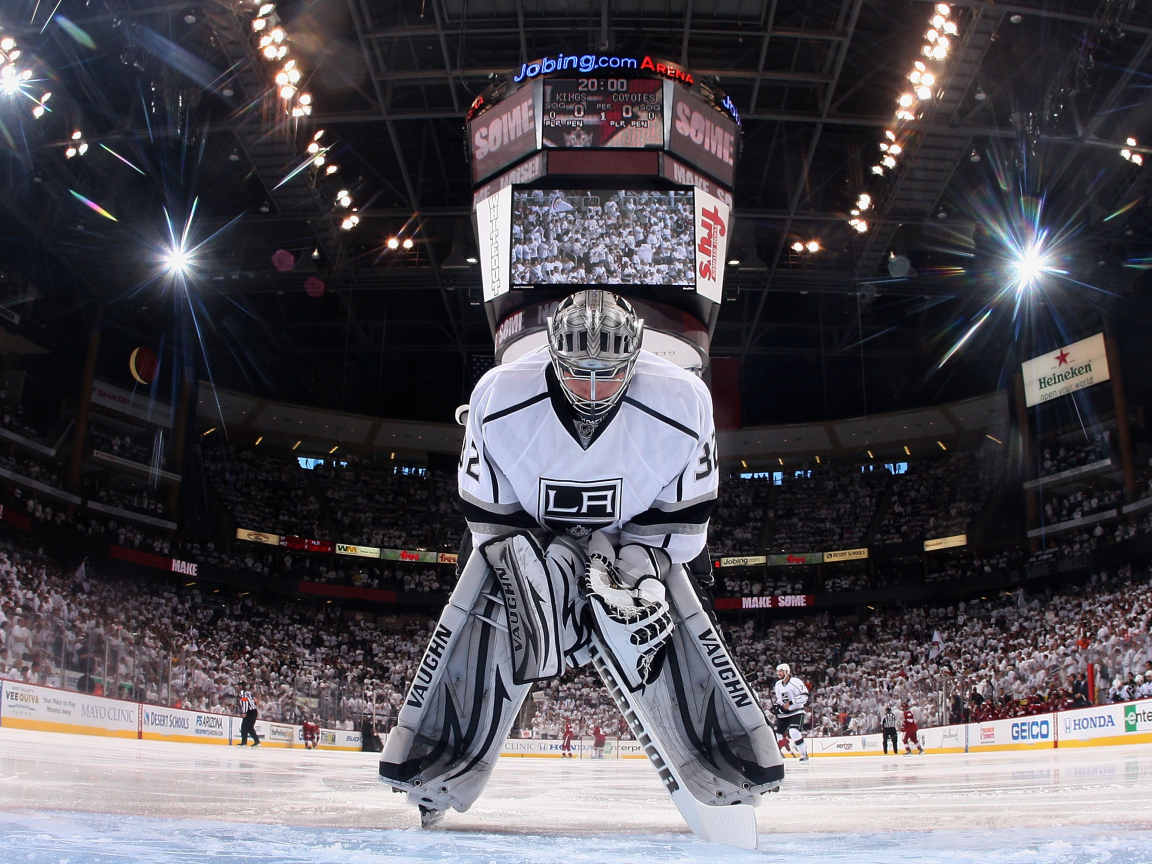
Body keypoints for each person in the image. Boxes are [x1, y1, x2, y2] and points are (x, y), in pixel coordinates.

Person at [380, 290, 784, 836]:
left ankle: (724, 766)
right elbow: (493, 530)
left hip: (637, 540)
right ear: (551, 358)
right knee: (506, 592)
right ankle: (437, 765)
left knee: (660, 615)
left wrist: (637, 565)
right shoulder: (498, 397)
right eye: (577, 374)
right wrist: (556, 573)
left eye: (609, 374)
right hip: (536, 538)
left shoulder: (684, 399)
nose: (593, 390)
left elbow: (687, 522)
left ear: (636, 360)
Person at [773, 663, 809, 762]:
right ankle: (774, 756)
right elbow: (780, 700)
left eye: (780, 671)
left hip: (796, 711)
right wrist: (777, 706)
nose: (778, 673)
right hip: (784, 714)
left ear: (786, 671)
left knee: (793, 732)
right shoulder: (778, 685)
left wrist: (791, 703)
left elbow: (805, 697)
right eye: (778, 671)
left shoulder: (796, 682)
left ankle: (803, 754)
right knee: (776, 735)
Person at [237, 683, 260, 747]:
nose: (237, 687)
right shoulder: (249, 693)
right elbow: (254, 701)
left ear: (241, 686)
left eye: (238, 686)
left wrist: (244, 712)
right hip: (254, 711)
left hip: (249, 711)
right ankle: (257, 741)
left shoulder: (242, 693)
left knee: (244, 726)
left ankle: (244, 742)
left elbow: (245, 702)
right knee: (249, 727)